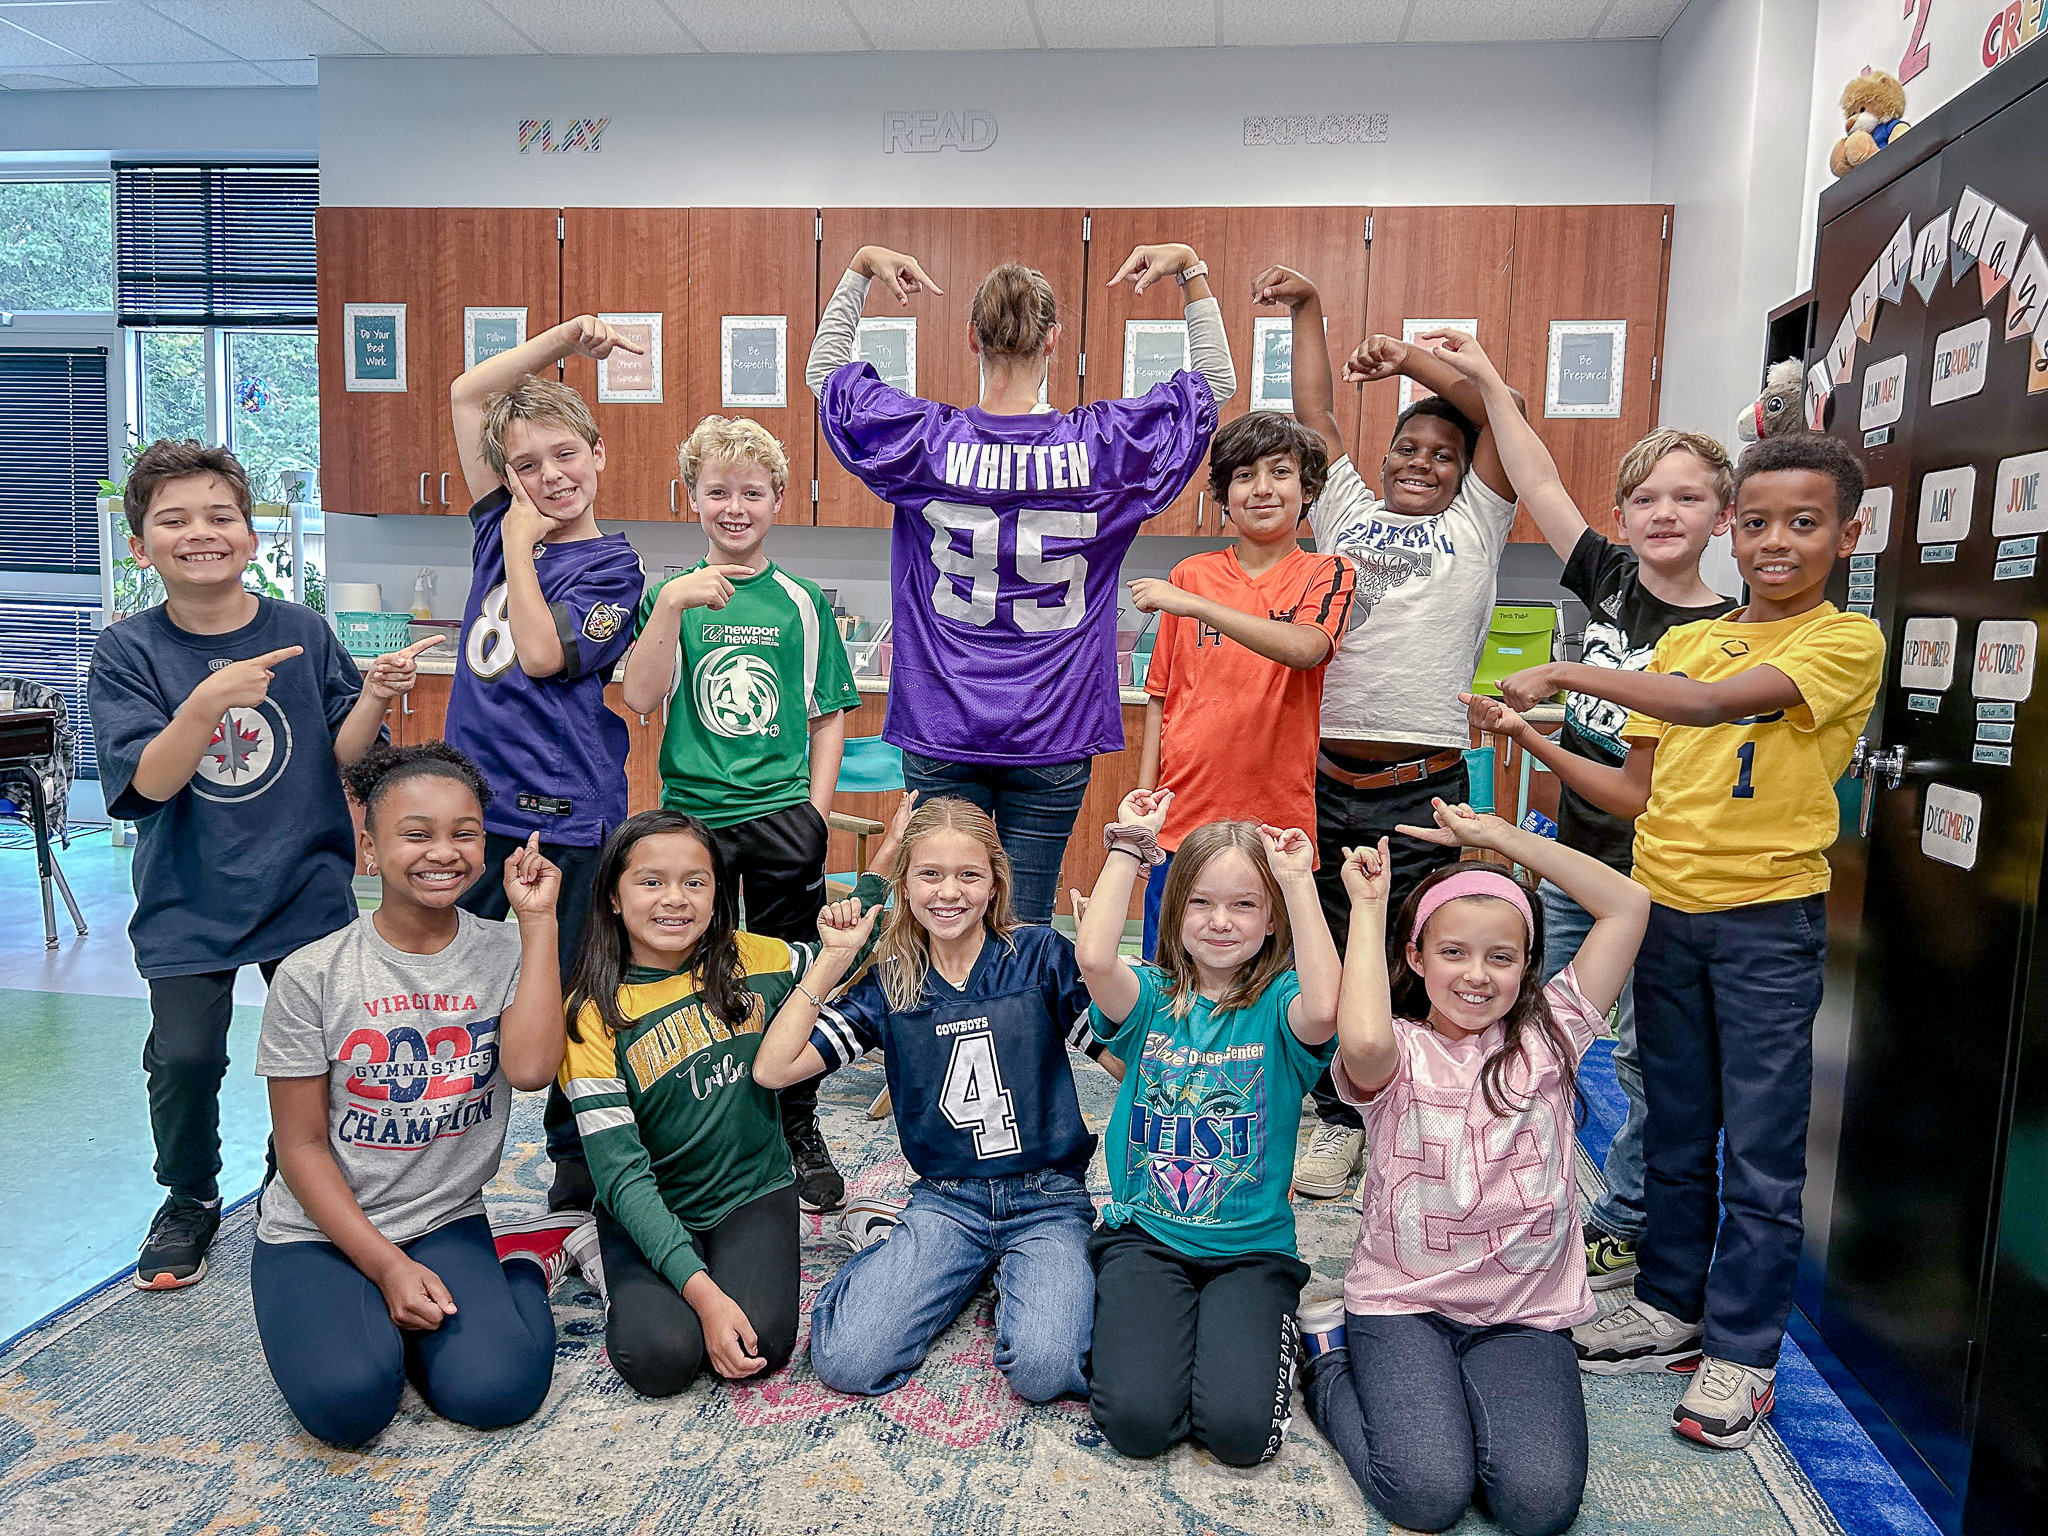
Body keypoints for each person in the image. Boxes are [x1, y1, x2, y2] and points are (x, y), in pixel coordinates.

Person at [1491, 432, 1884, 1449]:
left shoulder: (1840, 642)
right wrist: (1531, 740)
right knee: (1670, 1120)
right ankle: (1668, 1304)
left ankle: (1741, 1351)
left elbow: (1713, 708)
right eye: (1756, 522)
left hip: (1764, 926)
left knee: (1756, 1149)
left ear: (1846, 534)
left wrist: (1563, 671)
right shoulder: (1678, 645)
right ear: (1732, 528)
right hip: (1663, 910)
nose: (1772, 543)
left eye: (1800, 524)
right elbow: (1630, 791)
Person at [1422, 329, 1739, 1292]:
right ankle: (1523, 1182)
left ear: (1722, 517)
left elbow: (1641, 773)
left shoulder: (1724, 634)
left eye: (1688, 498)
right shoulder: (1606, 578)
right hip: (1574, 853)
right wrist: (1485, 378)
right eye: (1646, 497)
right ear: (1623, 513)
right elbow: (1537, 477)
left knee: (1639, 1060)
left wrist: (1535, 733)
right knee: (1528, 1024)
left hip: (1656, 870)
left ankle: (1627, 1219)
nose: (1664, 513)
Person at [87, 438, 439, 1290]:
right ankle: (190, 1197)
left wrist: (376, 699)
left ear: (253, 538)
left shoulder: (303, 631)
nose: (199, 532)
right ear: (142, 546)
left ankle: (299, 1177)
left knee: (317, 1054)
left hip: (303, 885)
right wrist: (206, 701)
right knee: (184, 1057)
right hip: (187, 895)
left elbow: (346, 758)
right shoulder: (129, 652)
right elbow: (147, 783)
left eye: (220, 516)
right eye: (173, 520)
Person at [805, 240, 1235, 923]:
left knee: (938, 920)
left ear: (972, 339)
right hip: (1054, 724)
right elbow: (1214, 385)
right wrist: (1191, 269)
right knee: (1026, 925)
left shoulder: (925, 441)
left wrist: (857, 269)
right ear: (1055, 341)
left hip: (943, 719)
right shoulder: (1103, 450)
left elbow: (825, 373)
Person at [1299, 803, 1648, 1536]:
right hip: (1404, 1305)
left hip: (1522, 1314)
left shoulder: (1553, 1036)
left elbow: (1627, 904)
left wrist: (1496, 839)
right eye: (1452, 953)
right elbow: (1358, 1039)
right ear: (1417, 959)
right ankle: (1325, 1357)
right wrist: (1368, 907)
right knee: (1427, 1495)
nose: (1477, 976)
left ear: (1528, 967)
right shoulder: (1394, 1050)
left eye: (1502, 956)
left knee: (1537, 1507)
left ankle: (1456, 1398)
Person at [1254, 266, 1521, 1202]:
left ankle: (1419, 1119)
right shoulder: (1352, 512)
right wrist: (1308, 309)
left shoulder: (1480, 525)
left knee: (1424, 948)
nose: (1418, 462)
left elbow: (1501, 406)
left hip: (1427, 785)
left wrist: (1411, 359)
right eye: (1405, 447)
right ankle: (1336, 1120)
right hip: (1325, 779)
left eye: (1440, 455)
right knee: (1327, 946)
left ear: (1466, 470)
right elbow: (1316, 412)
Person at [250, 743, 582, 1448]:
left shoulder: (507, 948)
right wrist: (387, 1266)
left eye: (465, 832)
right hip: (319, 1228)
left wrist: (539, 923)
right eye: (417, 833)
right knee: (348, 1406)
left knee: (497, 1392)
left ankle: (522, 1265)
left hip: (443, 1216)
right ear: (369, 848)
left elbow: (528, 1072)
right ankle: (361, 1304)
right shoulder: (312, 974)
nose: (445, 852)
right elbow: (300, 1146)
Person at [753, 796, 1117, 1403]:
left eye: (968, 875)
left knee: (1046, 1370)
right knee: (848, 1361)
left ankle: (1023, 1272)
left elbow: (1132, 1066)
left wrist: (1104, 968)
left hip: (1047, 1197)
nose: (949, 893)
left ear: (996, 881)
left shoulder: (1039, 957)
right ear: (905, 881)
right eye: (930, 874)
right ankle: (912, 1252)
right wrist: (833, 961)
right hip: (947, 1200)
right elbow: (774, 1070)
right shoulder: (892, 978)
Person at [557, 798, 909, 1397]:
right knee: (661, 1360)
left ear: (719, 893)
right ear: (614, 896)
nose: (676, 899)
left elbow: (846, 948)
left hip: (752, 1188)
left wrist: (888, 858)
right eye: (651, 882)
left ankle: (710, 1268)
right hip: (650, 1200)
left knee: (761, 1349)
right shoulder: (592, 1014)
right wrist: (704, 1295)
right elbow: (620, 1174)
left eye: (696, 882)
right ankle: (596, 1245)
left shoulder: (756, 958)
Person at [621, 413, 863, 1213]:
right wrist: (667, 609)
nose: (735, 507)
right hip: (691, 822)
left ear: (778, 499)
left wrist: (816, 816)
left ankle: (798, 1123)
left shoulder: (799, 603)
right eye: (716, 491)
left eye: (751, 492)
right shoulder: (673, 596)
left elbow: (829, 715)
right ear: (690, 498)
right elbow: (644, 697)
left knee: (795, 975)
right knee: (696, 973)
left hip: (783, 818)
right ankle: (705, 1125)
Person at [447, 314, 650, 1215]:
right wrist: (565, 338)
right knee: (456, 981)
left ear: (598, 452)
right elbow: (466, 394)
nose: (549, 478)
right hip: (473, 806)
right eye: (525, 467)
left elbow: (537, 653)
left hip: (564, 812)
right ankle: (442, 1140)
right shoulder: (499, 521)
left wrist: (524, 550)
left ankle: (576, 1160)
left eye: (565, 454)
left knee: (572, 993)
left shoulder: (613, 570)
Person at [1073, 791, 1340, 1467]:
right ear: (1174, 911)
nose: (1221, 921)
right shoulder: (1151, 998)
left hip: (1252, 1253)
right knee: (1136, 1426)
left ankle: (1306, 1344)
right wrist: (1130, 844)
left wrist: (1297, 882)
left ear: (1272, 920)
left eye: (1244, 904)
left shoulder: (1284, 1007)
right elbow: (1096, 959)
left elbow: (1328, 1003)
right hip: (1147, 1240)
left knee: (1240, 1436)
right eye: (1201, 902)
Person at [1129, 411, 1357, 957]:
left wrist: (1192, 605)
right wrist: (1143, 808)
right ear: (1223, 495)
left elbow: (1306, 649)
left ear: (1307, 490)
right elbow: (1162, 696)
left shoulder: (1328, 573)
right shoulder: (1191, 574)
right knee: (1170, 977)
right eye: (1243, 475)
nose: (1262, 489)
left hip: (1275, 831)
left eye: (1280, 472)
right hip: (1180, 822)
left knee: (1268, 986)